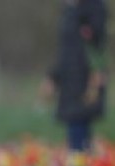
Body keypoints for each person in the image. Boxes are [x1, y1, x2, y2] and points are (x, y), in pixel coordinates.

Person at [42, 0, 108, 152]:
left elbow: (97, 42)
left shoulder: (94, 8)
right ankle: (81, 162)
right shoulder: (68, 11)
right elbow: (64, 51)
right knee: (74, 125)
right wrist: (53, 76)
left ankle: (82, 164)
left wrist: (98, 70)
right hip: (69, 78)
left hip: (87, 77)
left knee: (80, 123)